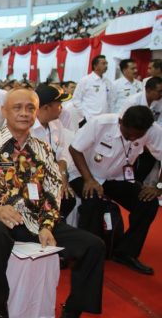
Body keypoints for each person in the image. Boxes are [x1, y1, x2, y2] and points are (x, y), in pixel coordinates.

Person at [0, 88, 106, 318]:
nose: (24, 113)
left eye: (30, 108)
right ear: (4, 111)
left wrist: (47, 225)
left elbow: (52, 191)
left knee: (93, 246)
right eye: (17, 108)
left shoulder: (42, 148)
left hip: (32, 219)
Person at [68, 106, 162, 275]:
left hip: (117, 177)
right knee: (92, 198)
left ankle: (126, 253)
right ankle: (86, 255)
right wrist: (89, 180)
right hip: (84, 174)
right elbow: (74, 149)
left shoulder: (152, 130)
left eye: (137, 136)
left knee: (148, 203)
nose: (132, 138)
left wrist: (158, 187)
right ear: (120, 122)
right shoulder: (100, 123)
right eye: (128, 134)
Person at [32, 84, 77, 220]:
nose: (61, 108)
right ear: (46, 107)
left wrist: (62, 178)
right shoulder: (27, 126)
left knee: (68, 199)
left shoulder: (56, 124)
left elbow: (61, 154)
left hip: (52, 176)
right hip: (32, 179)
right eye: (59, 105)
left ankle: (55, 223)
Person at [71, 55, 113, 125]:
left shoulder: (107, 82)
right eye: (103, 63)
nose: (106, 66)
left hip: (104, 119)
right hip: (89, 119)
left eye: (106, 63)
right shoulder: (85, 80)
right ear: (95, 66)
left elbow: (110, 100)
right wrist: (85, 115)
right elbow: (76, 99)